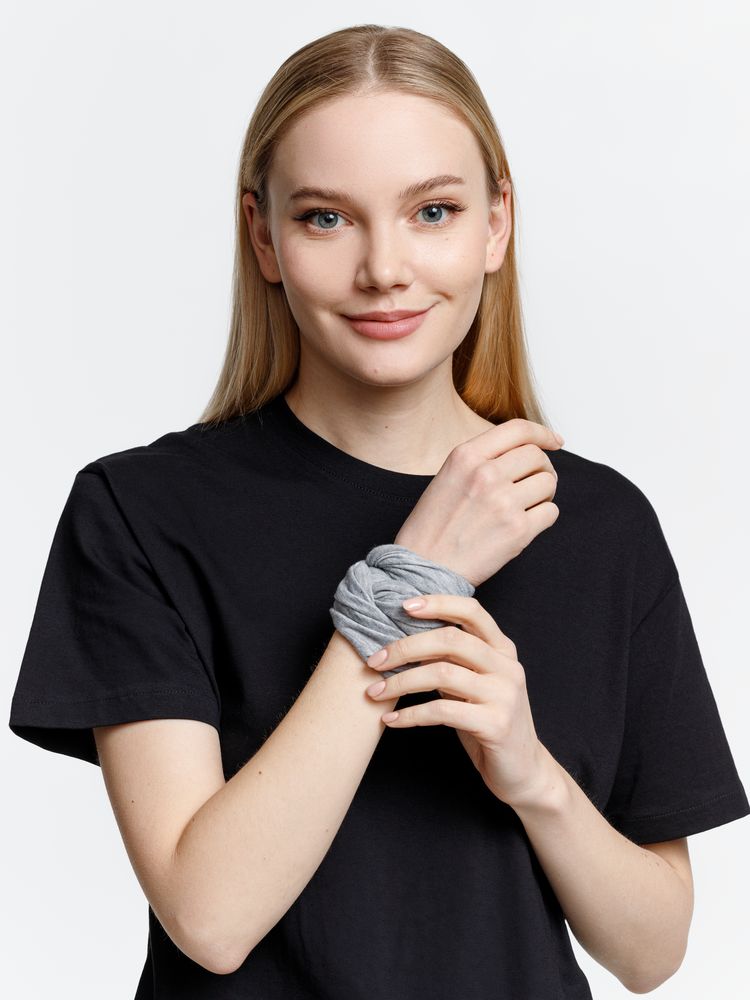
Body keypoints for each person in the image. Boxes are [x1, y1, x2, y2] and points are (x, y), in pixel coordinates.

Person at [8, 23, 749, 1000]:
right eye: (327, 218)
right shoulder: (142, 513)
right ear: (263, 237)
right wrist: (410, 582)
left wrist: (530, 772)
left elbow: (653, 953)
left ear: (496, 224)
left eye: (433, 211)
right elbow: (210, 916)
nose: (385, 268)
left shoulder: (600, 522)